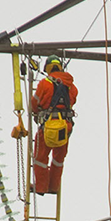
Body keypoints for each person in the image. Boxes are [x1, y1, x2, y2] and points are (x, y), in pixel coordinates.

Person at [31, 55, 78, 195]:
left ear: (48, 68)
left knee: (40, 157)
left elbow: (35, 103)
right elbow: (73, 100)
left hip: (49, 125)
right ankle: (53, 186)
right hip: (65, 126)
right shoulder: (71, 86)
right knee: (59, 158)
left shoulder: (44, 84)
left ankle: (41, 187)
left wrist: (37, 113)